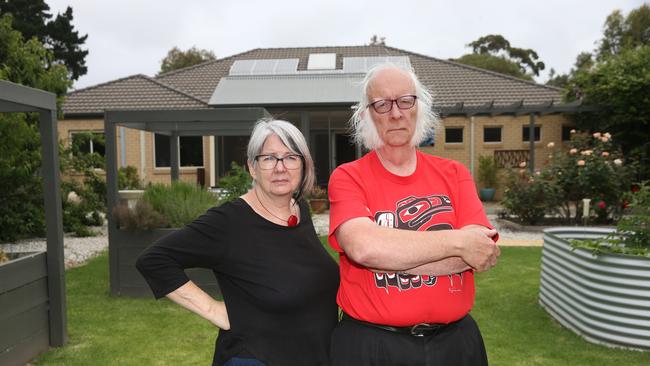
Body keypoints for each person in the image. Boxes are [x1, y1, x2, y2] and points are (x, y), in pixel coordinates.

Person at [328, 63, 501, 366]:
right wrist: (459, 242)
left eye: (405, 101)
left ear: (420, 108)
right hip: (372, 347)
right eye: (381, 104)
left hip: (456, 346)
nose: (396, 113)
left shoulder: (454, 173)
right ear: (366, 115)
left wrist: (391, 254)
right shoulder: (348, 177)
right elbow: (364, 248)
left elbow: (481, 252)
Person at [136, 119, 339, 366]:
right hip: (256, 357)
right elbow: (154, 260)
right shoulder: (228, 222)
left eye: (290, 157)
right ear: (252, 168)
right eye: (268, 158)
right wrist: (214, 310)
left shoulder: (298, 210)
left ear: (303, 165)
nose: (280, 167)